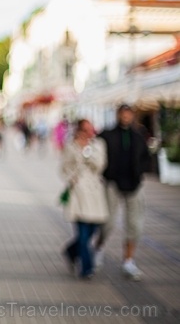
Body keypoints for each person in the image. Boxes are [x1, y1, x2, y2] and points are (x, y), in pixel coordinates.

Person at [94, 104, 151, 281]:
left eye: (128, 114)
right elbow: (98, 155)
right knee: (108, 221)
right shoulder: (107, 134)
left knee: (134, 224)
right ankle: (98, 249)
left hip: (134, 184)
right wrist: (106, 174)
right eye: (123, 114)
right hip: (112, 183)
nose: (126, 117)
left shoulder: (138, 135)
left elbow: (146, 157)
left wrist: (140, 172)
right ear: (118, 115)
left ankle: (128, 259)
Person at [61, 119, 109, 279]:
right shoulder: (70, 145)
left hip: (94, 192)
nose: (89, 132)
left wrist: (88, 151)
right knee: (82, 231)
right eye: (86, 129)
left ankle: (70, 251)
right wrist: (71, 178)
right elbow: (63, 167)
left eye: (91, 129)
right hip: (78, 192)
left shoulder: (98, 144)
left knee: (94, 228)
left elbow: (100, 165)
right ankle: (87, 268)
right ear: (79, 130)